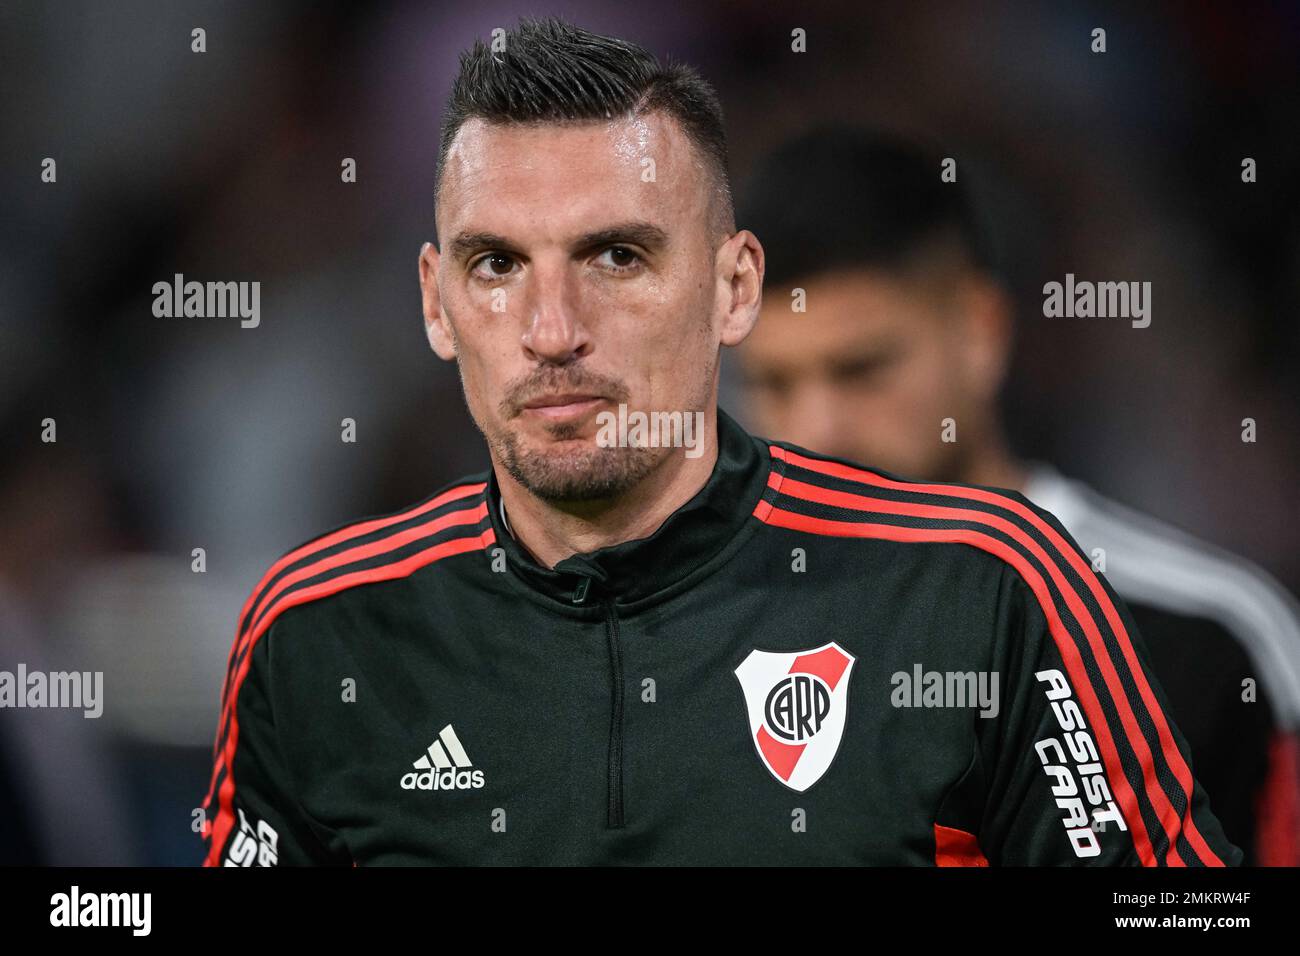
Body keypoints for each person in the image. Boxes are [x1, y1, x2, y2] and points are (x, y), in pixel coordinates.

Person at [200, 18, 1240, 866]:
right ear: (435, 302)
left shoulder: (985, 587)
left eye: (616, 255)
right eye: (496, 264)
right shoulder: (317, 633)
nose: (552, 329)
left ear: (734, 286)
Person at [737, 124, 1300, 865]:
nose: (816, 430)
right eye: (775, 383)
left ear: (979, 330)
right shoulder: (716, 626)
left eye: (861, 369)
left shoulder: (1212, 632)